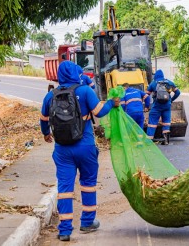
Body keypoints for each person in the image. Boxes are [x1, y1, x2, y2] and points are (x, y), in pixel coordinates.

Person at [40, 61, 119, 241]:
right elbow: (99, 112)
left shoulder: (50, 96)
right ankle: (87, 222)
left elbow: (43, 120)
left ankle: (65, 229)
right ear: (76, 73)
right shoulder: (85, 91)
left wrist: (46, 134)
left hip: (62, 149)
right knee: (88, 184)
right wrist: (112, 104)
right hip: (85, 147)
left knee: (65, 188)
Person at [146, 69, 180, 145]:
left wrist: (146, 105)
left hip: (157, 106)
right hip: (167, 106)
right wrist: (171, 100)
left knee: (152, 122)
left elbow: (146, 95)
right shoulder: (169, 83)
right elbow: (178, 92)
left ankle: (149, 141)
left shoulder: (153, 83)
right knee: (166, 122)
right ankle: (166, 140)